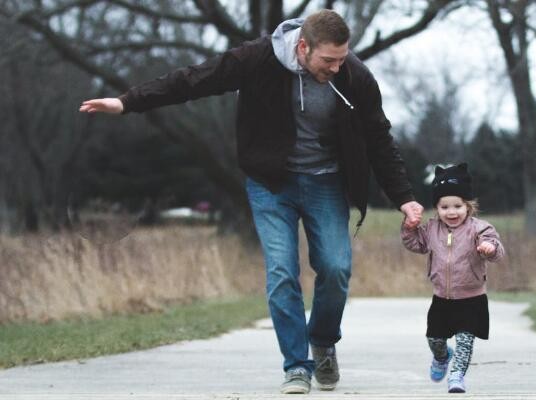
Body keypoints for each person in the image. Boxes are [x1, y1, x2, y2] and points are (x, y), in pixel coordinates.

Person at [80, 10, 424, 395]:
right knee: (281, 273)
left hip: (326, 181)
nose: (336, 67)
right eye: (328, 60)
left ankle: (323, 342)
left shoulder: (354, 76)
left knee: (336, 268)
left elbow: (379, 139)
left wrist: (405, 199)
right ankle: (296, 365)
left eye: (342, 58)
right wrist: (127, 102)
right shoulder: (257, 58)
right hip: (270, 182)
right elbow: (194, 80)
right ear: (303, 46)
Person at [400, 163, 505, 394]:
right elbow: (415, 244)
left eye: (458, 206)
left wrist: (490, 247)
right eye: (444, 206)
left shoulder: (479, 229)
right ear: (436, 208)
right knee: (434, 339)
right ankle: (442, 356)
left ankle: (457, 376)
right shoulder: (431, 229)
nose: (452, 212)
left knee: (465, 342)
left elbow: (497, 250)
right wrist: (409, 228)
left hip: (472, 299)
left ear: (468, 206)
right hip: (442, 299)